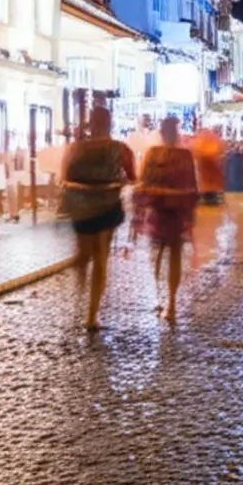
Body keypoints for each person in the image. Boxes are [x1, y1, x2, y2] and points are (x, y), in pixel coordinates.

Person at [61, 107, 136, 330]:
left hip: (81, 208)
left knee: (84, 254)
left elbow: (66, 176)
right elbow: (133, 176)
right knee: (101, 258)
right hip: (107, 206)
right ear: (109, 123)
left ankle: (79, 291)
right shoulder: (119, 148)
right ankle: (92, 315)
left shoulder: (76, 148)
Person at [138, 117, 199, 323]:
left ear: (161, 133)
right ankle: (171, 303)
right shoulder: (185, 156)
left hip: (157, 211)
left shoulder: (152, 154)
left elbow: (143, 181)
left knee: (156, 255)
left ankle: (159, 297)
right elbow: (192, 186)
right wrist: (191, 215)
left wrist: (141, 209)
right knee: (174, 257)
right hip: (177, 212)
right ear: (177, 133)